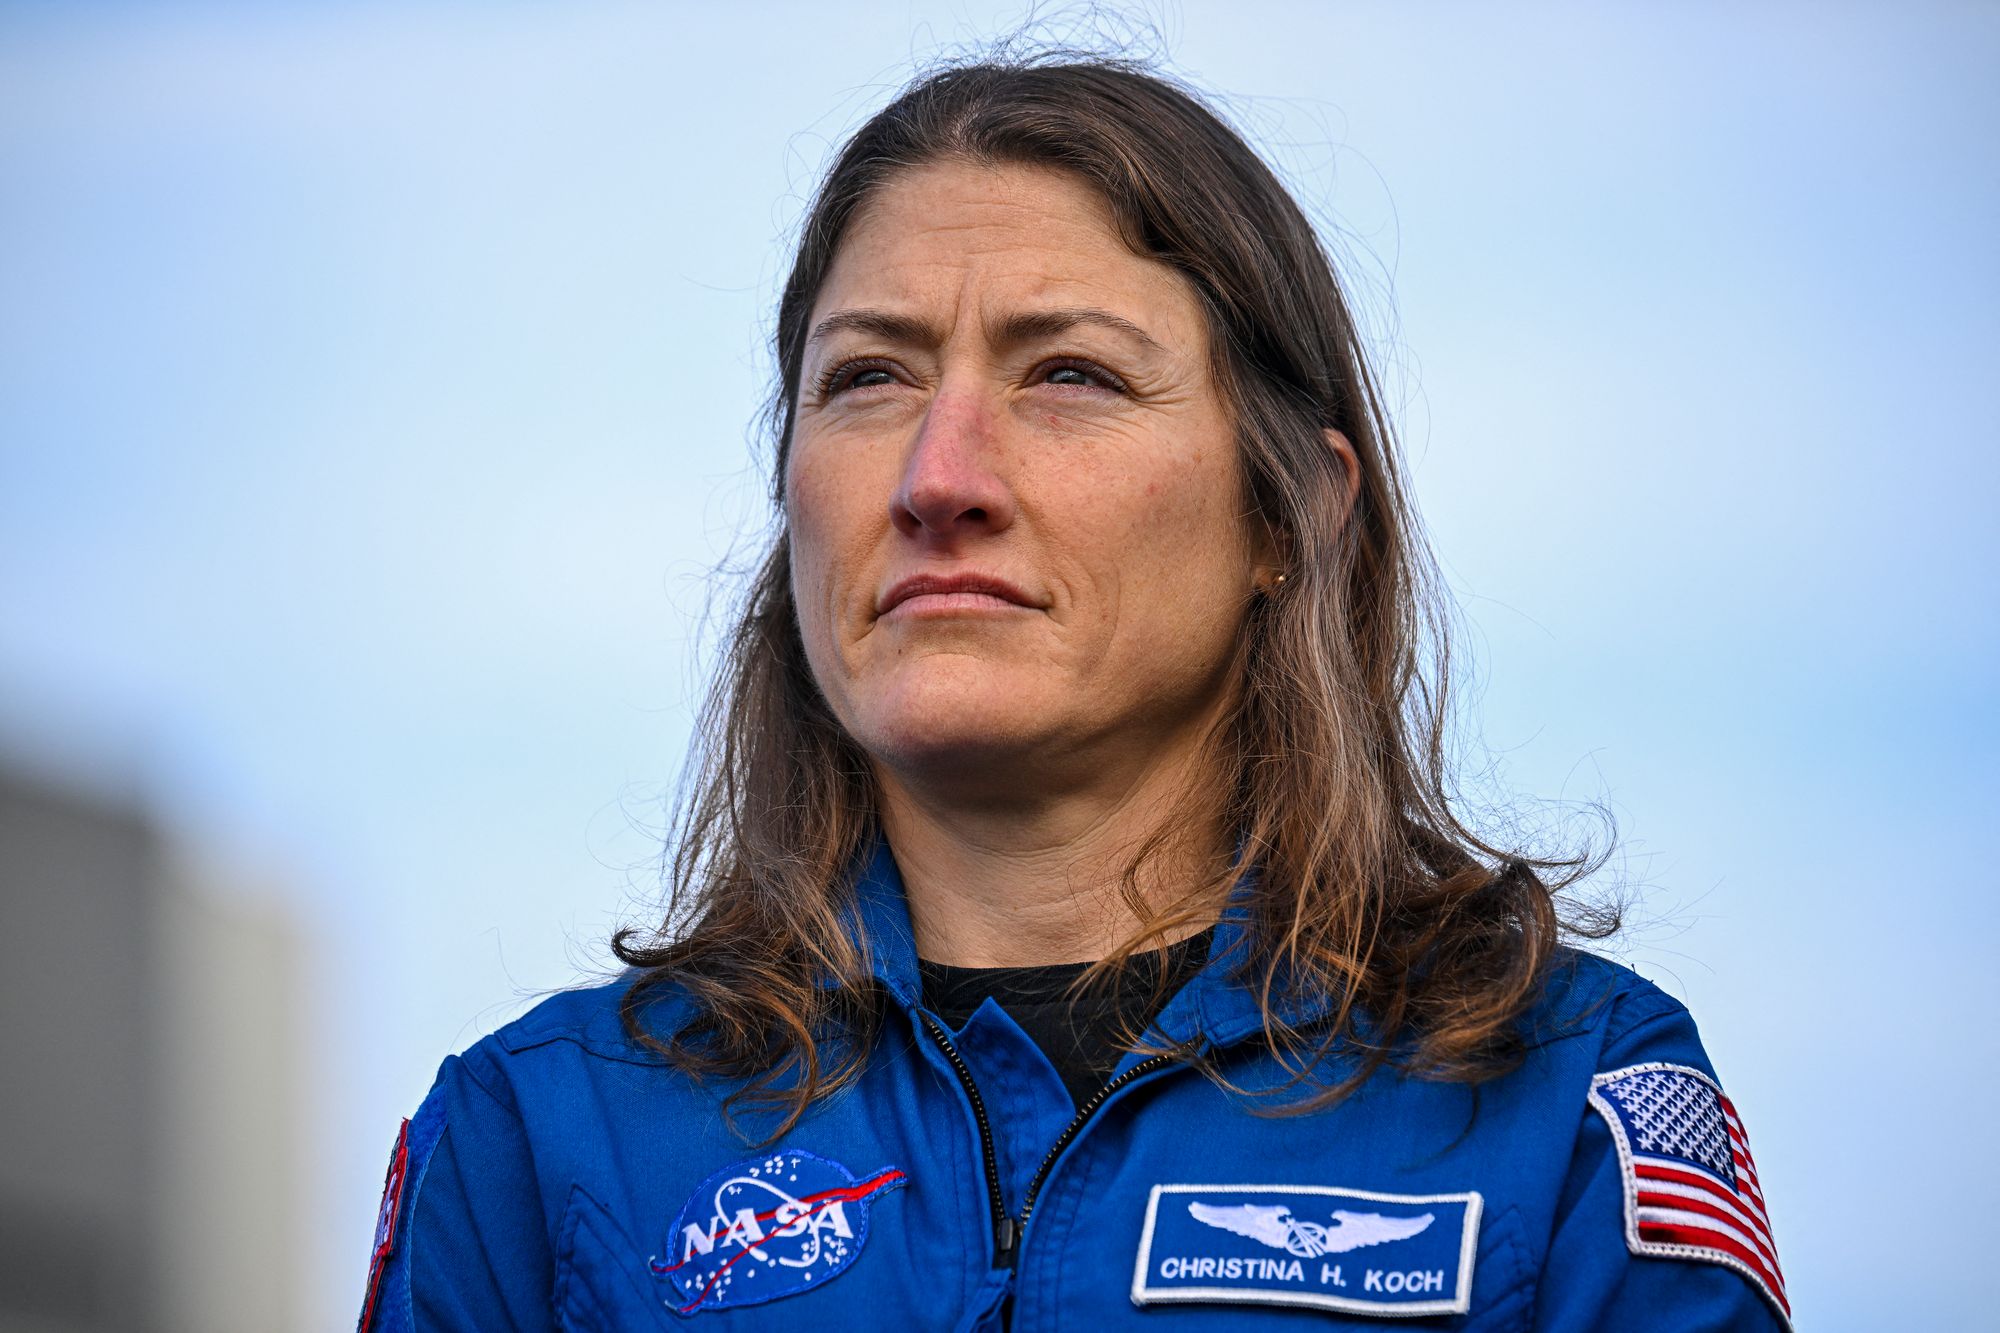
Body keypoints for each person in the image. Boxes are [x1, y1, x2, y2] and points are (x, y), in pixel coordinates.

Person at [358, 56, 1791, 1332]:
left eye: (1070, 374)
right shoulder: (542, 1139)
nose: (940, 479)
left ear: (1292, 515)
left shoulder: (1560, 1099)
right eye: (867, 377)